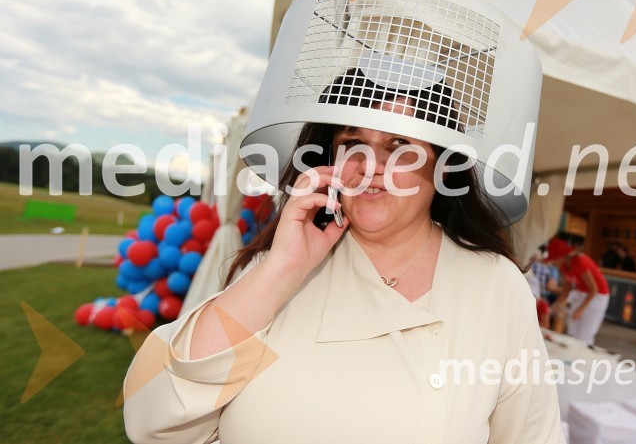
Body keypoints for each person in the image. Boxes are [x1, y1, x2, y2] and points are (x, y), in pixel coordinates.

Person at [123, 72, 564, 440]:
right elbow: (152, 415)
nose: (369, 164)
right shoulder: (280, 269)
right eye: (352, 142)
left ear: (443, 167)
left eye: (399, 145)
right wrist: (281, 269)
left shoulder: (494, 286)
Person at [546, 237, 610, 347]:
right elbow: (567, 288)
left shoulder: (580, 262)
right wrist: (558, 303)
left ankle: (584, 358)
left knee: (585, 332)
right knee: (573, 328)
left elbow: (593, 289)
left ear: (561, 256)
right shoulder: (564, 266)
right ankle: (574, 354)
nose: (553, 261)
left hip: (597, 296)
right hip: (581, 293)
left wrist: (580, 309)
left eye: (554, 258)